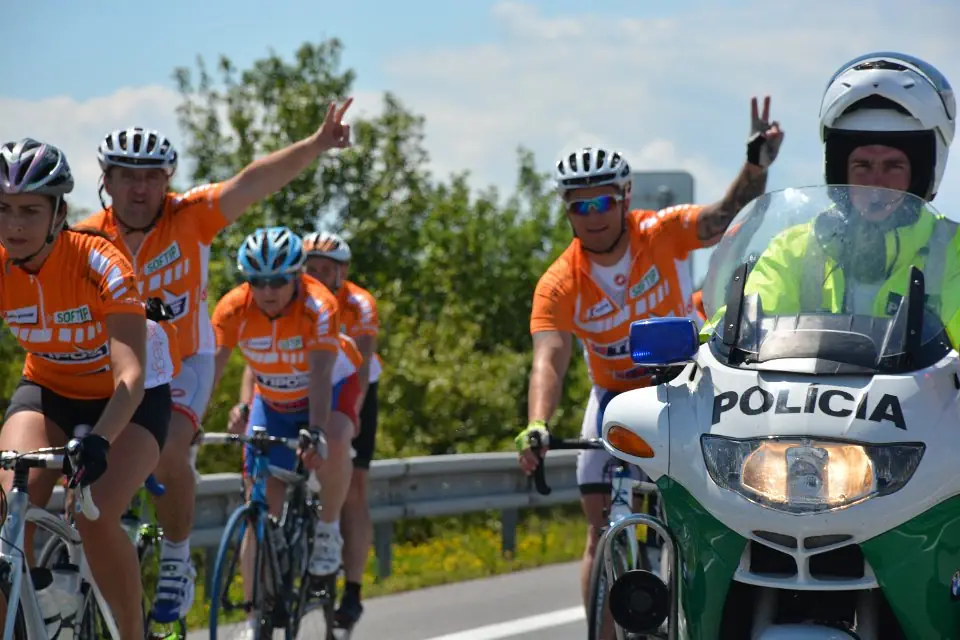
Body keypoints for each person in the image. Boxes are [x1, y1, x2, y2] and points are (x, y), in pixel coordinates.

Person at [78, 98, 354, 621]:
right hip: (116, 367)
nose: (139, 189)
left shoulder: (191, 216)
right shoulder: (86, 237)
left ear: (167, 181)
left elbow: (254, 180)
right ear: (106, 180)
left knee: (169, 450)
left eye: (152, 177)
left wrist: (317, 144)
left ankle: (177, 557)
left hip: (185, 360)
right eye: (126, 176)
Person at [513, 97, 784, 628]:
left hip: (679, 388)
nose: (593, 216)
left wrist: (755, 166)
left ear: (625, 198)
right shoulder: (559, 282)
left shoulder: (659, 233)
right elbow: (549, 359)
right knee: (599, 530)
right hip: (612, 399)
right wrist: (537, 423)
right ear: (567, 211)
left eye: (603, 202)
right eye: (580, 207)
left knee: (705, 515)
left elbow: (722, 217)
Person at [0, 138, 178, 639]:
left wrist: (100, 440)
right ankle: (34, 610)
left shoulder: (101, 263)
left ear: (58, 214)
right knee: (5, 512)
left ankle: (133, 634)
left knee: (94, 514)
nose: (15, 225)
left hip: (126, 402)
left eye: (30, 210)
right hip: (48, 391)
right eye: (4, 209)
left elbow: (130, 375)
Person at [703, 53, 959, 347]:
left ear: (921, 175)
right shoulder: (796, 249)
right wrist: (710, 344)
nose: (876, 182)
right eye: (862, 165)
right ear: (840, 171)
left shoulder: (953, 252)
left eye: (893, 166)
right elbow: (743, 320)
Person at [212, 227, 359, 606]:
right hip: (274, 401)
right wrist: (189, 422)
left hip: (329, 389)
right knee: (259, 511)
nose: (268, 291)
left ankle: (327, 530)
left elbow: (322, 375)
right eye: (257, 281)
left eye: (278, 281)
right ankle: (253, 616)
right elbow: (209, 372)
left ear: (297, 275)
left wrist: (317, 430)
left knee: (335, 439)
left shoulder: (319, 305)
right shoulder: (232, 308)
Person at [301, 230, 380, 627]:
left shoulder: (359, 303)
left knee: (353, 486)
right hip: (304, 384)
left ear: (341, 272)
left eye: (324, 270)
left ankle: (352, 589)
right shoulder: (291, 298)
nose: (316, 277)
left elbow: (361, 370)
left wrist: (352, 418)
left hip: (354, 386)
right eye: (309, 269)